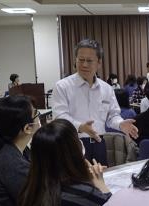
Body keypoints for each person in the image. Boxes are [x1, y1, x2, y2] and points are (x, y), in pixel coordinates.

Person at [52, 38, 138, 166]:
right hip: (72, 144)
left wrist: (120, 124)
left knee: (99, 181)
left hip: (99, 143)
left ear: (99, 63)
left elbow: (112, 115)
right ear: (75, 61)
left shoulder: (106, 88)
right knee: (74, 183)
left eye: (89, 61)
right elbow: (60, 117)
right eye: (81, 60)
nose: (84, 65)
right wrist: (81, 127)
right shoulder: (63, 86)